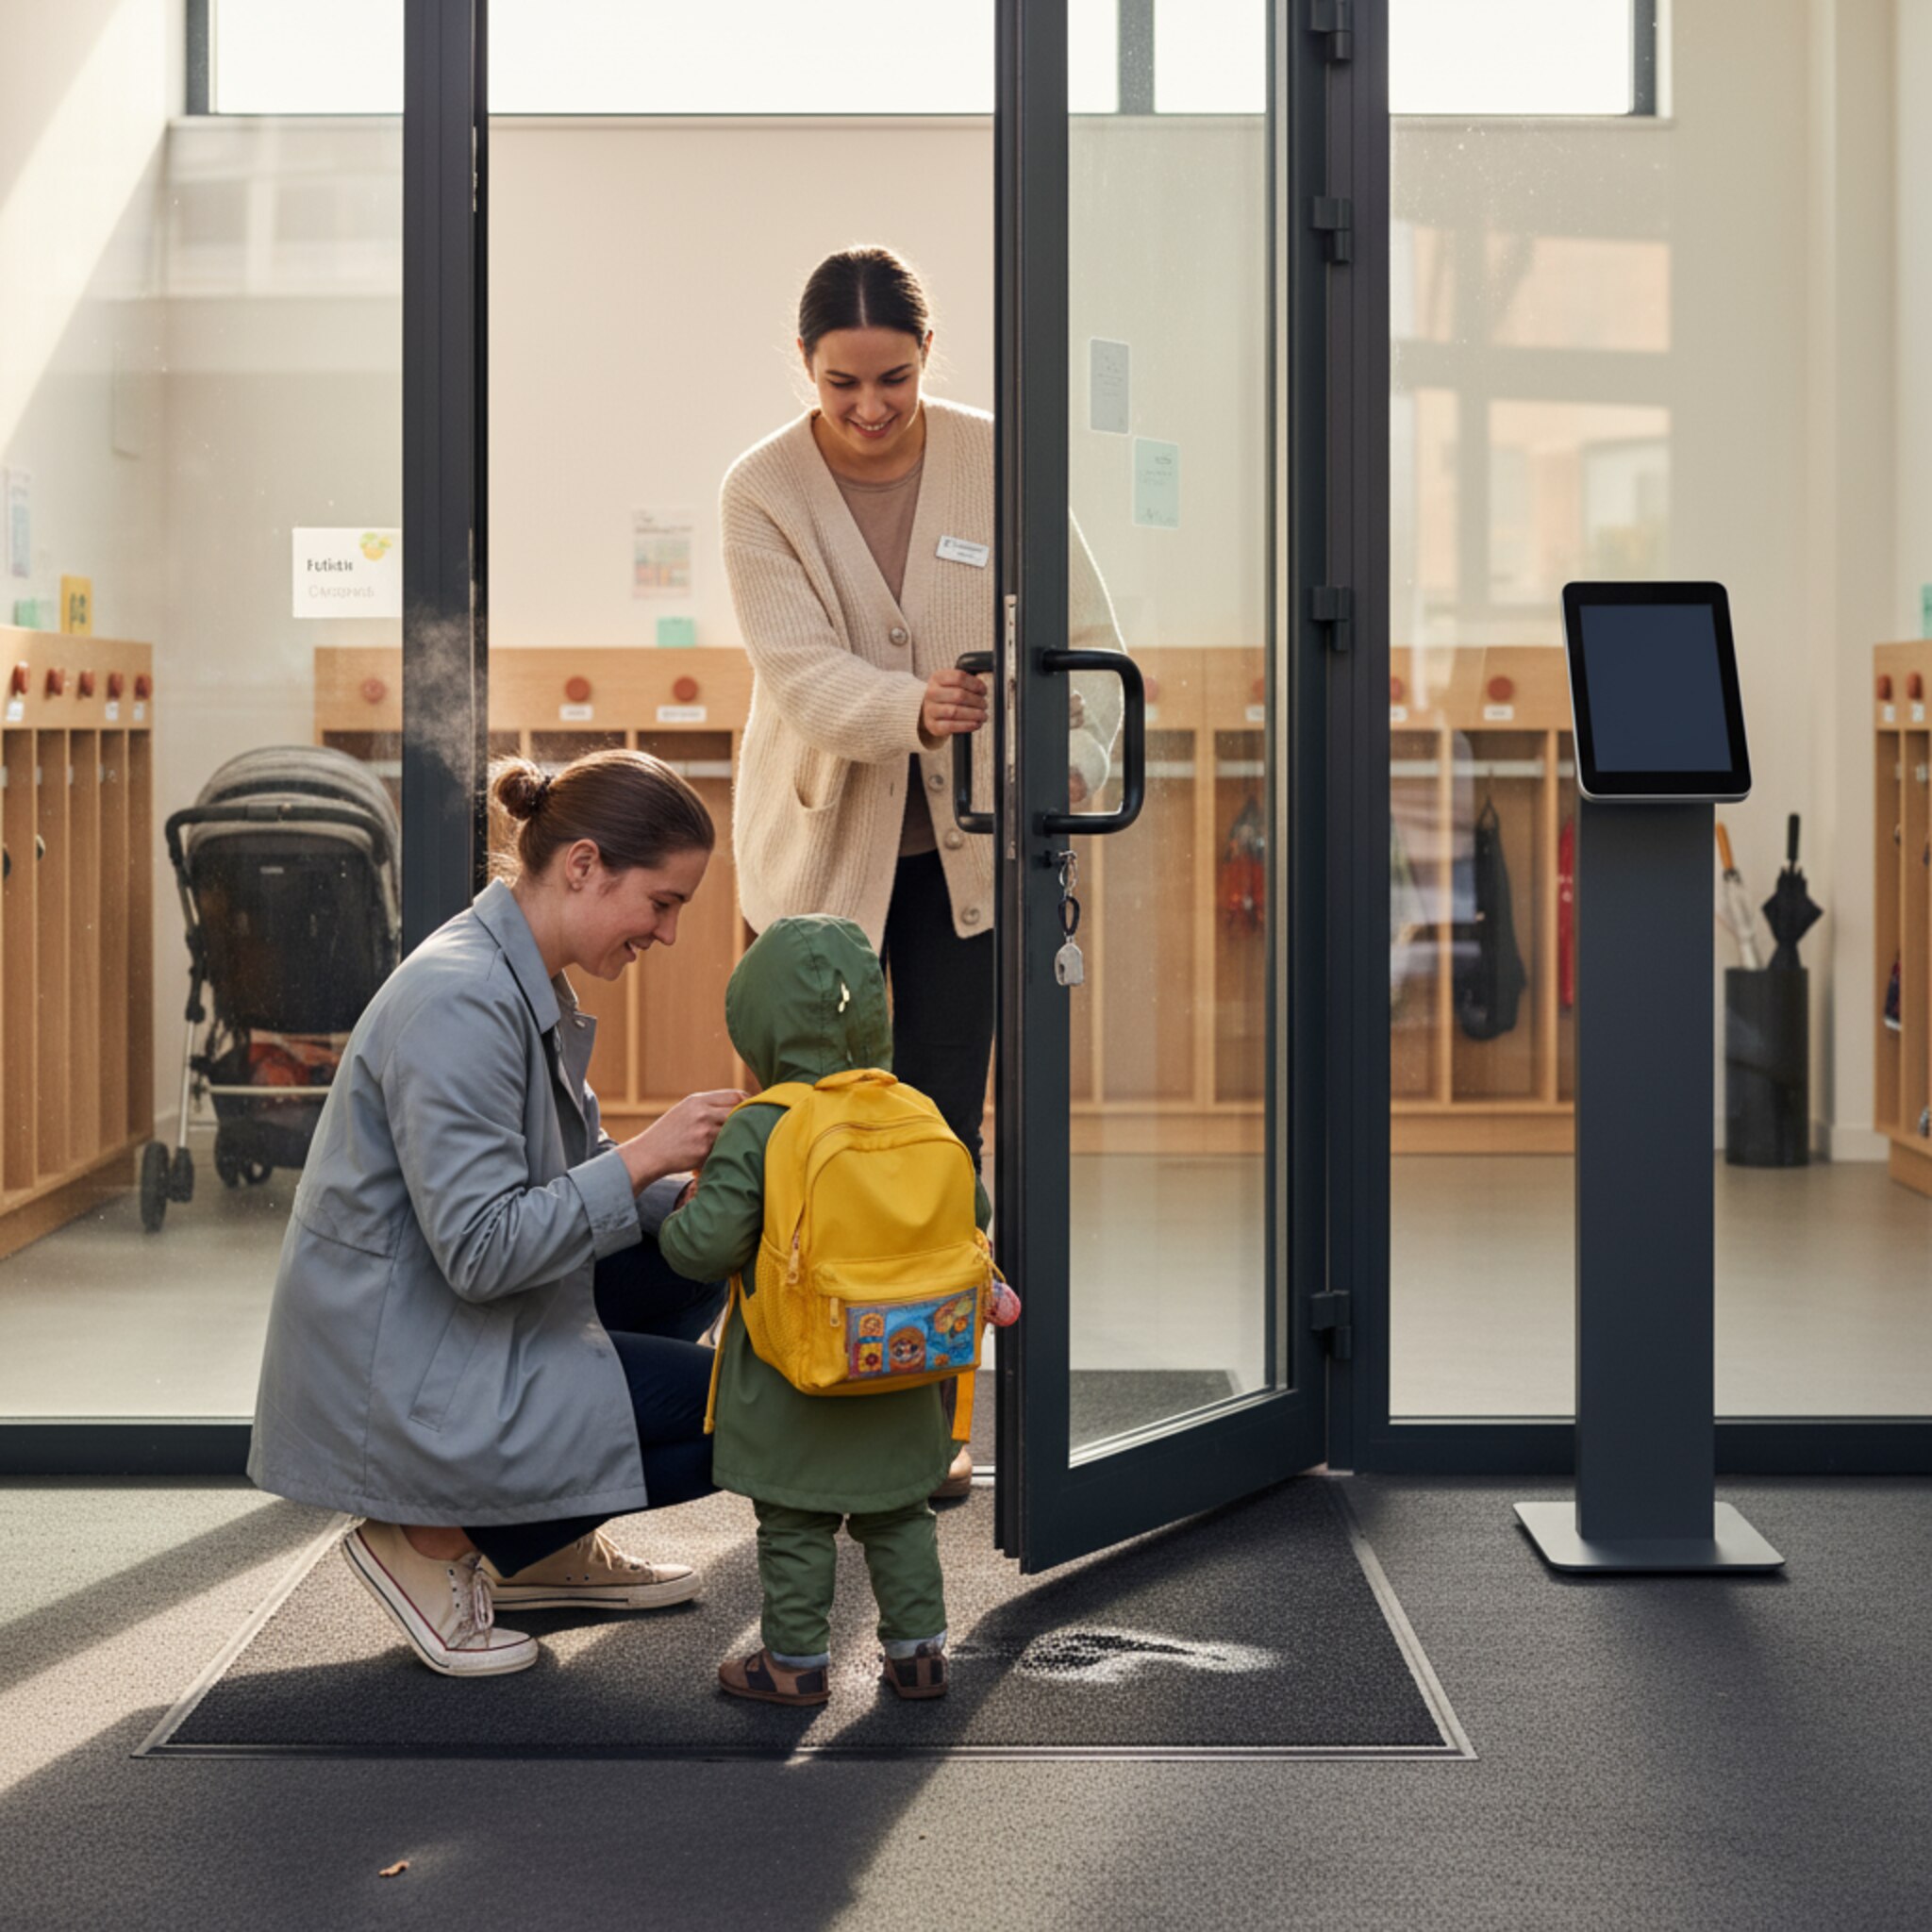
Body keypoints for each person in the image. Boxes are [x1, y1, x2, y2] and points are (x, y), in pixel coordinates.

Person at [720, 243, 1124, 1493]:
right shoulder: (763, 489)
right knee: (804, 1140)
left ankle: (922, 1417)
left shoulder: (998, 459)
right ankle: (793, 1402)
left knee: (940, 1143)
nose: (871, 407)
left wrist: (1081, 754)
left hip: (970, 862)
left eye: (891, 377)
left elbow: (1089, 640)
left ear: (926, 356)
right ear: (806, 368)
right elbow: (804, 678)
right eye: (843, 383)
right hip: (815, 864)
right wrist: (917, 705)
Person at [248, 749, 742, 1677]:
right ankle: (427, 1538)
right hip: (411, 1361)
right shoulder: (463, 997)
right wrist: (648, 1153)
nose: (667, 933)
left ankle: (534, 1545)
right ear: (584, 864)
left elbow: (566, 1170)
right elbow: (480, 1249)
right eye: (663, 901)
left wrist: (690, 1195)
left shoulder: (521, 974)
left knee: (693, 1251)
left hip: (450, 1322)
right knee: (743, 1414)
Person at [657, 915, 991, 1707]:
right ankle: (918, 1657)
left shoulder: (761, 1127)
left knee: (796, 1527)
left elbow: (699, 1251)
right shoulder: (916, 1111)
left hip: (791, 1382)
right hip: (903, 1368)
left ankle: (795, 1664)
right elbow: (970, 1211)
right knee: (901, 1520)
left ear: (758, 1022)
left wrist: (680, 1208)